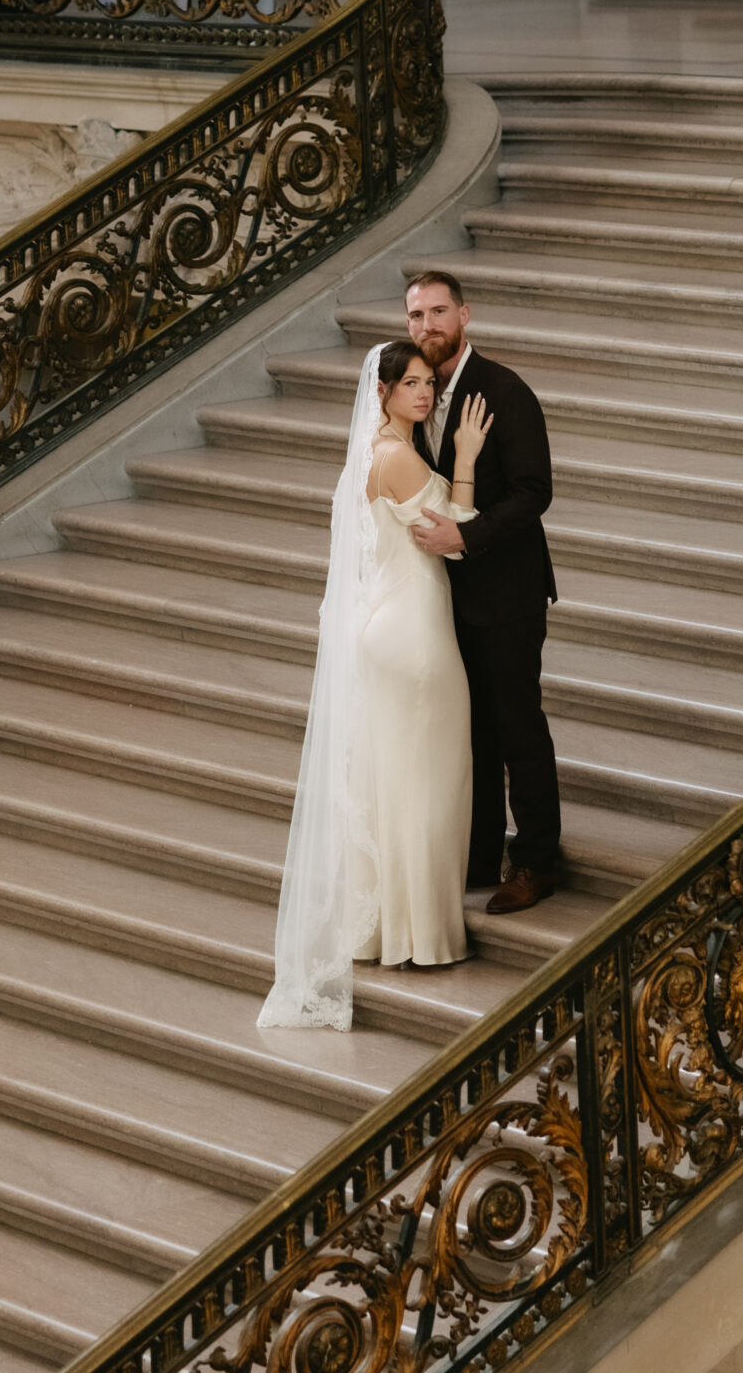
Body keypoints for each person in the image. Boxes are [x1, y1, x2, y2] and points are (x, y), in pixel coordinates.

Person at [258, 339, 491, 1030]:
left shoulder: (367, 454)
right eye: (410, 384)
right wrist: (469, 460)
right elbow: (453, 527)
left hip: (380, 625)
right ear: (383, 392)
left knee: (392, 781)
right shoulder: (395, 456)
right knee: (432, 779)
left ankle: (381, 931)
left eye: (428, 382)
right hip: (413, 632)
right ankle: (426, 937)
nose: (423, 394)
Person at [405, 268, 561, 914]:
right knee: (467, 731)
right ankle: (476, 857)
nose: (427, 327)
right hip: (442, 596)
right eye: (415, 316)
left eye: (438, 312)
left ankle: (535, 861)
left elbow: (533, 492)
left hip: (506, 593)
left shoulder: (503, 389)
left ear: (464, 315)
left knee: (515, 726)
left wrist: (466, 539)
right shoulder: (412, 394)